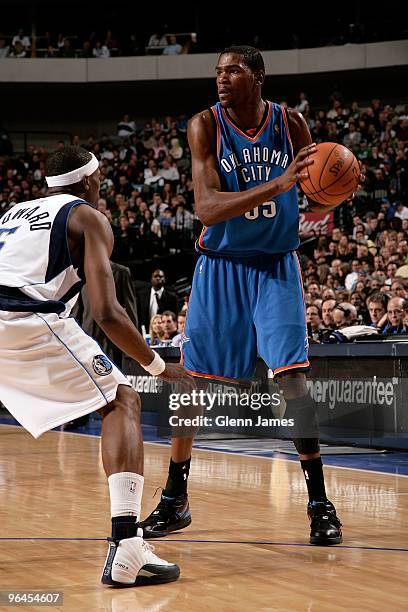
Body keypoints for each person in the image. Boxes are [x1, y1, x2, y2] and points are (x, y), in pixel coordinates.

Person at [140, 46, 363, 545]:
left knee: (294, 381)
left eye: (233, 70)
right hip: (220, 265)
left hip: (275, 266)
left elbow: (314, 187)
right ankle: (175, 497)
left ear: (258, 77)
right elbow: (205, 207)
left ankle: (319, 504)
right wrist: (277, 183)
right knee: (190, 386)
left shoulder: (292, 124)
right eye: (218, 71)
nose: (222, 78)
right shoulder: (205, 125)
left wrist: (340, 180)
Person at [0, 146, 195, 587]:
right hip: (22, 315)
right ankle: (126, 548)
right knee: (121, 399)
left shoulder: (13, 212)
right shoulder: (88, 217)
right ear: (89, 181)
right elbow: (107, 311)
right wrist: (159, 366)